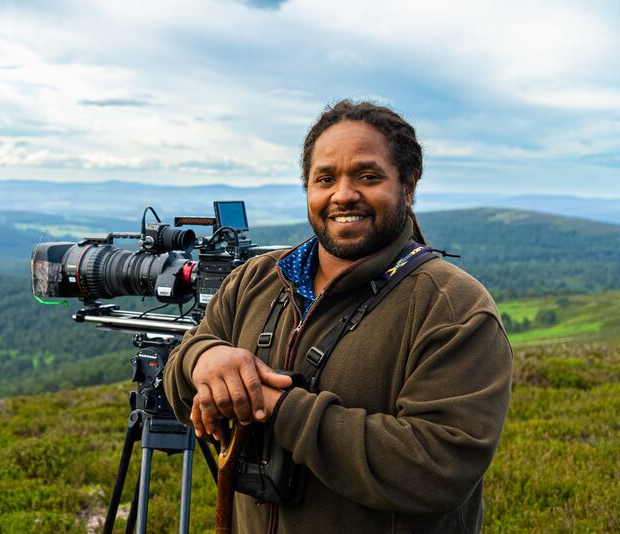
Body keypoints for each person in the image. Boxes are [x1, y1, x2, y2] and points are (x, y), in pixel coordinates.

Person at [163, 100, 512, 533]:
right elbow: (179, 386)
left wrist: (277, 407)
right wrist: (203, 358)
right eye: (325, 178)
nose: (343, 194)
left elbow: (438, 469)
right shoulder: (255, 280)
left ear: (408, 185)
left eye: (368, 176)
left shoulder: (452, 307)